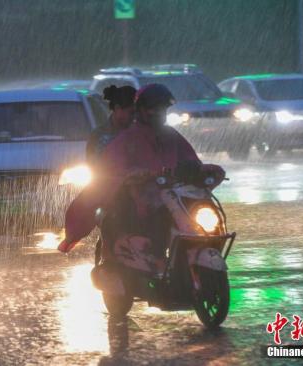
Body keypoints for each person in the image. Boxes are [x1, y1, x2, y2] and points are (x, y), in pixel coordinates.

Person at [58, 84, 224, 261]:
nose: (158, 113)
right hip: (130, 197)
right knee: (115, 217)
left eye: (162, 109)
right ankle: (116, 261)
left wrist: (201, 170)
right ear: (140, 110)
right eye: (153, 109)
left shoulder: (170, 135)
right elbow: (104, 169)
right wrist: (132, 175)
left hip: (166, 195)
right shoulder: (118, 138)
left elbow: (189, 159)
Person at [86, 85, 136, 165]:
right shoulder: (98, 136)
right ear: (117, 108)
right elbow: (92, 166)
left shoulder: (137, 135)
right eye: (131, 113)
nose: (134, 117)